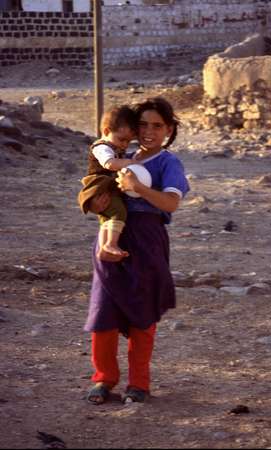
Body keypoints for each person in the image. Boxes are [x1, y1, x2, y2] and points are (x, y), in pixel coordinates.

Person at [84, 97, 190, 405]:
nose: (149, 132)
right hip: (111, 236)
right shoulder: (121, 155)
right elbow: (96, 184)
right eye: (142, 124)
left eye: (157, 126)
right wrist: (95, 201)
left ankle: (139, 384)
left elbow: (171, 203)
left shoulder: (168, 163)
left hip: (147, 239)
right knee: (103, 311)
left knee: (143, 315)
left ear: (168, 129)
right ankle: (103, 379)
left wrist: (138, 187)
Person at [78, 105, 138, 257]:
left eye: (128, 141)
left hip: (107, 187)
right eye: (121, 139)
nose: (124, 144)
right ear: (106, 131)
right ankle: (111, 244)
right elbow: (109, 164)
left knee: (107, 219)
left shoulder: (116, 146)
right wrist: (129, 163)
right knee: (119, 212)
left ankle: (104, 248)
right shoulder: (102, 147)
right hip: (100, 186)